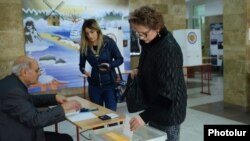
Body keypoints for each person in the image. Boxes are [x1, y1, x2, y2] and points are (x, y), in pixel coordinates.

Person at [128, 6, 187, 141]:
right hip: (155, 106)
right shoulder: (150, 42)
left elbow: (167, 94)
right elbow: (152, 64)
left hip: (169, 112)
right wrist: (139, 69)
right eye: (137, 33)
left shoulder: (168, 49)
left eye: (144, 33)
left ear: (157, 27)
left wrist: (144, 117)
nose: (141, 38)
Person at [0, 56, 82, 141]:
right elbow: (36, 120)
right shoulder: (14, 92)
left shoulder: (12, 83)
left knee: (64, 137)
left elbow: (29, 99)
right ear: (24, 72)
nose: (39, 73)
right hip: (19, 135)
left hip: (20, 129)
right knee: (66, 139)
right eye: (37, 70)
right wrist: (63, 108)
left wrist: (54, 98)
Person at [79, 19, 124, 111]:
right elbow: (81, 65)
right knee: (97, 117)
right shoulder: (84, 46)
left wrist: (110, 65)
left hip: (110, 85)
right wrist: (84, 70)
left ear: (97, 30)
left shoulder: (108, 42)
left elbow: (120, 59)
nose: (89, 36)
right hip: (94, 87)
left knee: (111, 116)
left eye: (92, 32)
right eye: (87, 33)